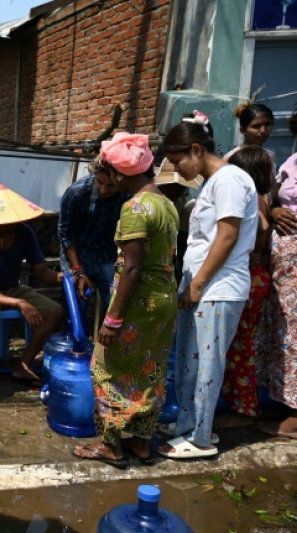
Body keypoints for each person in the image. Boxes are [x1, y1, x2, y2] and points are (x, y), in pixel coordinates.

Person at [71, 133, 179, 466]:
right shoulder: (166, 203)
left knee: (105, 369)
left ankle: (112, 446)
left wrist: (112, 320)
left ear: (120, 174)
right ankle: (143, 443)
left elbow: (131, 268)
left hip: (137, 304)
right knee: (150, 370)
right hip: (163, 303)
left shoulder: (134, 209)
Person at [158, 116, 258, 459]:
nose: (177, 170)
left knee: (205, 365)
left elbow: (227, 236)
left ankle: (201, 438)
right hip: (202, 287)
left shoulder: (229, 180)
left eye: (177, 162)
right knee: (188, 360)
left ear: (196, 150)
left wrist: (199, 283)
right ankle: (188, 425)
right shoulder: (213, 182)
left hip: (218, 288)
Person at [0, 186, 64, 402]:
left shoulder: (25, 233)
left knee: (54, 310)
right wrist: (20, 303)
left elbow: (41, 271)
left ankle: (24, 364)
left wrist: (64, 277)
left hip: (11, 286)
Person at [210, 147, 274, 429]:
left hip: (249, 276)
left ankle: (244, 410)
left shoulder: (254, 201)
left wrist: (251, 249)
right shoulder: (259, 198)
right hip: (254, 275)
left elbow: (261, 224)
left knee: (240, 347)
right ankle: (240, 403)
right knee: (240, 345)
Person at [258, 107, 297, 439]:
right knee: (283, 333)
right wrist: (274, 208)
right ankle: (282, 400)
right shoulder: (292, 161)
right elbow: (274, 197)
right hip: (284, 267)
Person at [57, 157, 128, 310]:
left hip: (106, 254)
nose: (104, 190)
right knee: (76, 303)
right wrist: (77, 270)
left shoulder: (126, 195)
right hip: (76, 253)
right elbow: (65, 235)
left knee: (117, 301)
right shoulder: (76, 193)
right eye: (100, 182)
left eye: (111, 186)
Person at [224, 102, 277, 178]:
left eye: (267, 125)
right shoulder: (232, 157)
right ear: (242, 130)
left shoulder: (270, 155)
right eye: (256, 126)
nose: (263, 130)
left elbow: (272, 187)